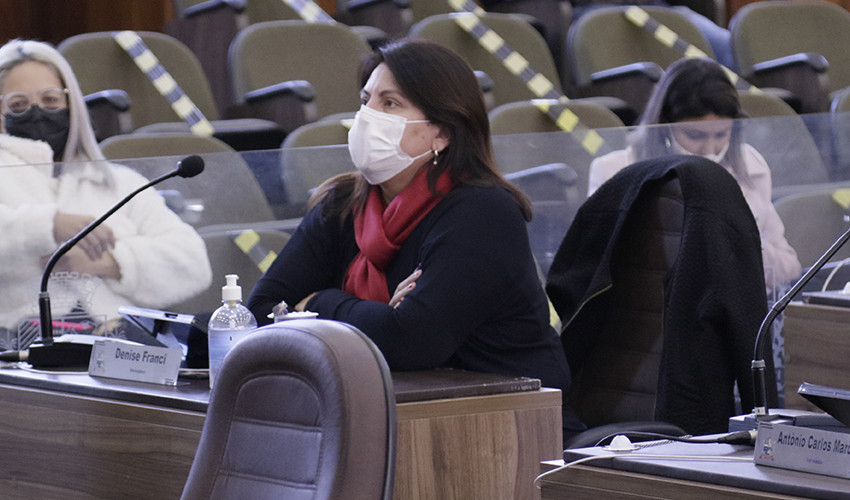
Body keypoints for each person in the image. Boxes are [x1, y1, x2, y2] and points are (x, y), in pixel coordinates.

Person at [248, 39, 581, 434]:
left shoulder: (481, 211)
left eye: (390, 104)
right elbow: (262, 311)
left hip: (509, 427)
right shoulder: (341, 204)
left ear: (441, 133)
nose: (368, 116)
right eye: (366, 99)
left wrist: (318, 301)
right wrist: (376, 316)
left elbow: (410, 341)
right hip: (388, 418)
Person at [0, 39, 212, 336]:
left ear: (71, 103)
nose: (38, 113)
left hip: (120, 345)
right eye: (19, 105)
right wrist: (49, 224)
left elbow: (193, 264)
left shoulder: (119, 181)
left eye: (50, 100)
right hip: (19, 349)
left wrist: (106, 261)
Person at [587, 57, 801, 287]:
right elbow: (599, 270)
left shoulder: (751, 167)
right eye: (695, 135)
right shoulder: (614, 172)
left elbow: (789, 267)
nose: (710, 150)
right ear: (663, 125)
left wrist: (741, 240)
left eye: (721, 135)